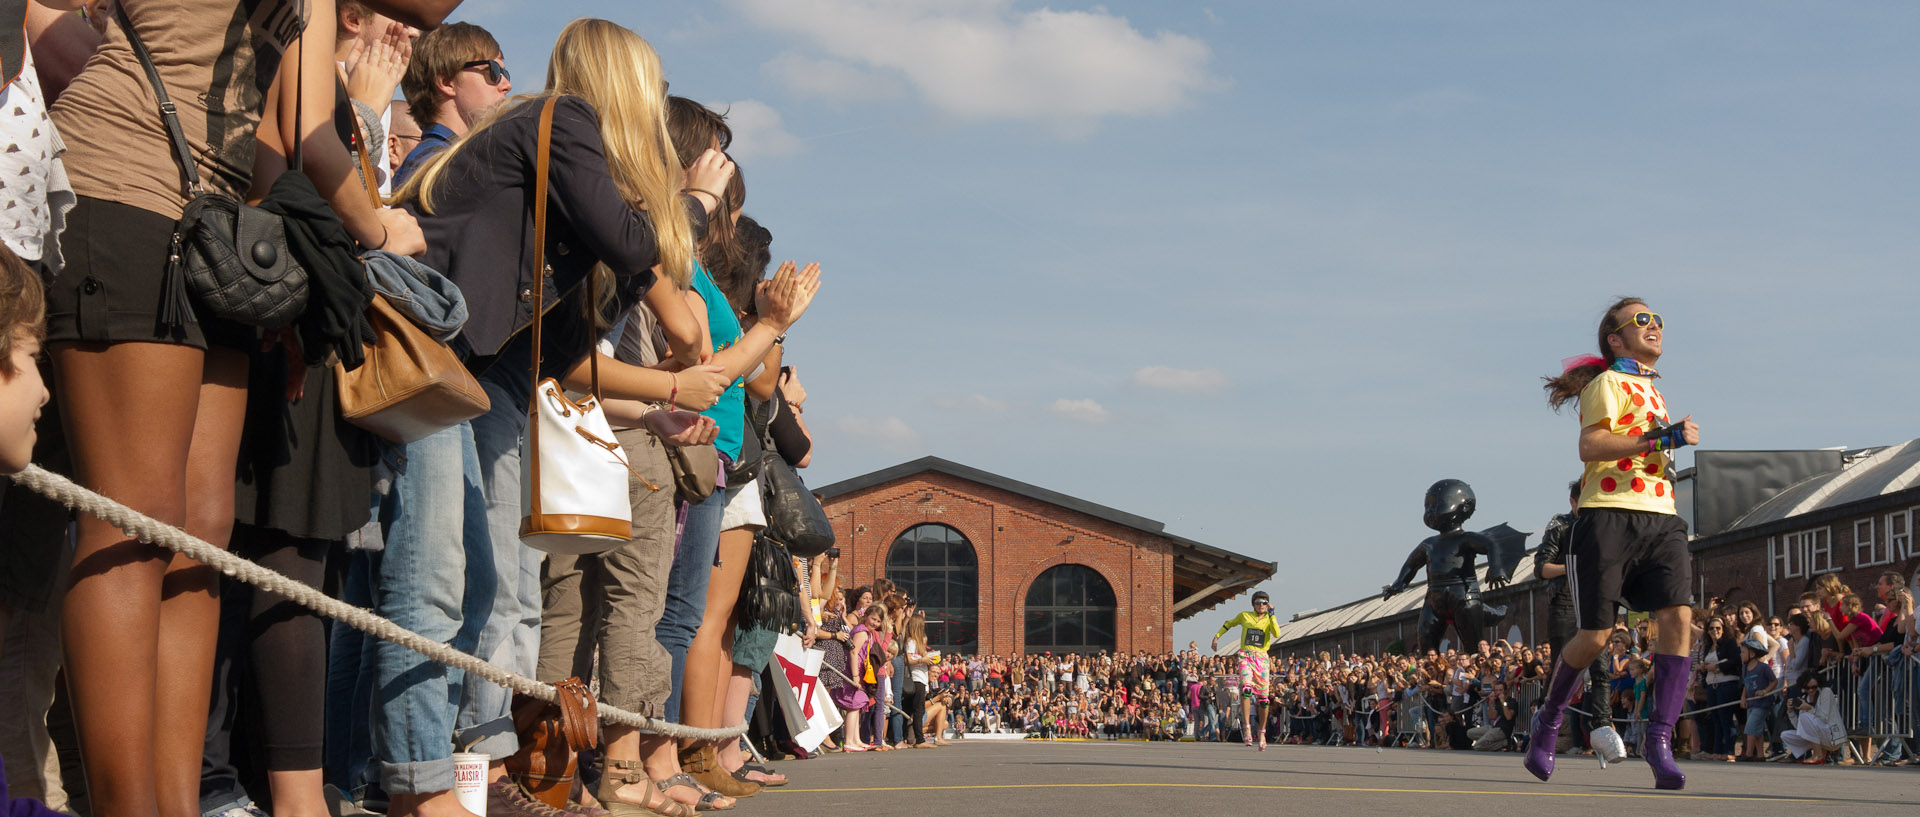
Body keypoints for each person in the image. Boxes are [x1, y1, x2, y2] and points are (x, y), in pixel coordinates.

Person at [46, 3, 425, 817]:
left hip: (216, 222)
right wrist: (379, 227)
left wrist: (265, 290)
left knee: (202, 529)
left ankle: (176, 803)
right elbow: (315, 137)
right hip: (124, 182)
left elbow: (285, 128)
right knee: (134, 519)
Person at [383, 17, 731, 817]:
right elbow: (641, 253)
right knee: (436, 579)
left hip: (485, 374)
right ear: (626, 86)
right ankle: (415, 785)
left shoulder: (561, 174)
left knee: (493, 583)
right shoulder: (562, 121)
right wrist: (698, 205)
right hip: (433, 352)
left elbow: (570, 343)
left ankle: (476, 774)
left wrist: (668, 383)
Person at [1527, 298, 1698, 789]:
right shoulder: (1608, 383)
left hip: (1661, 517)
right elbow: (1591, 446)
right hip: (1607, 517)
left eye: (1659, 319)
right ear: (1615, 338)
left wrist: (1663, 447)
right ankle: (1549, 718)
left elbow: (1653, 450)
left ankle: (1659, 740)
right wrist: (1660, 440)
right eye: (1642, 320)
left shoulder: (1653, 390)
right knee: (1596, 637)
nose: (1655, 326)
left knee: (1679, 619)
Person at [1531, 478, 1626, 766]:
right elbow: (1541, 568)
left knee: (1600, 668)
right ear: (1573, 502)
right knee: (1563, 668)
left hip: (1596, 603)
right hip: (1565, 603)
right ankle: (1545, 722)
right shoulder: (1560, 525)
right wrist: (1573, 567)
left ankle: (1602, 726)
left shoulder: (1604, 526)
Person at [392, 21, 509, 187]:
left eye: (505, 73)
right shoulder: (437, 168)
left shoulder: (454, 161)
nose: (506, 85)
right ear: (447, 82)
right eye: (493, 71)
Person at [1210, 590, 1282, 751]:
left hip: (1262, 658)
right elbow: (1229, 623)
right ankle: (1247, 726)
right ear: (1253, 604)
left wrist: (1273, 614)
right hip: (1246, 656)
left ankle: (1262, 732)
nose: (1261, 605)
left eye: (1264, 602)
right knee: (1246, 689)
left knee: (1263, 699)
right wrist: (1217, 636)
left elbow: (1277, 633)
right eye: (1258, 602)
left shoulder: (1269, 619)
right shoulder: (1245, 616)